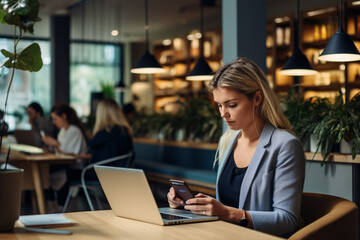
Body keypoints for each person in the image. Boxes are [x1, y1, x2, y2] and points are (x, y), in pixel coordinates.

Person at [167, 57, 305, 237]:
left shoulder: (285, 145)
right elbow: (232, 203)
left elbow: (288, 221)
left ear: (257, 98)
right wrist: (187, 205)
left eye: (232, 105)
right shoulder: (229, 140)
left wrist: (226, 213)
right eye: (219, 105)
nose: (223, 114)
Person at [42, 103, 88, 207]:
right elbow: (60, 151)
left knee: (45, 173)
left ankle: (53, 204)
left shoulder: (74, 131)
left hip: (76, 169)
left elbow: (69, 154)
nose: (53, 122)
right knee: (44, 172)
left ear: (63, 116)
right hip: (66, 166)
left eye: (55, 119)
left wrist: (56, 144)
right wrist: (51, 147)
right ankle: (52, 204)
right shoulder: (63, 131)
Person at [87, 99, 134, 177]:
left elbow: (91, 144)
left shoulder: (108, 131)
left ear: (101, 114)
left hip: (101, 173)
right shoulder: (125, 131)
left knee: (67, 173)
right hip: (117, 173)